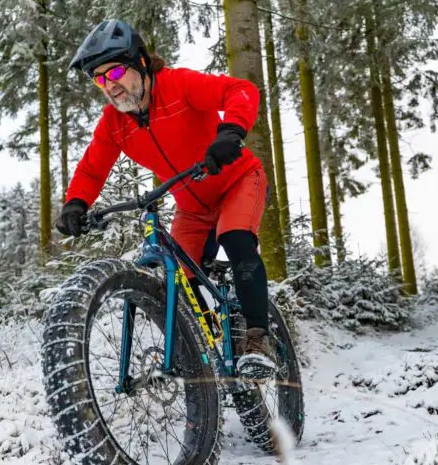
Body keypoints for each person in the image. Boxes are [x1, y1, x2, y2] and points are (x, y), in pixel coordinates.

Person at [55, 19, 278, 376]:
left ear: (141, 62)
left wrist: (231, 133)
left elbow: (241, 90)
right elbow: (92, 168)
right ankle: (212, 348)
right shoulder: (114, 122)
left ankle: (257, 341)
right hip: (192, 207)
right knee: (180, 278)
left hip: (238, 181)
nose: (109, 86)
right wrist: (76, 203)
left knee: (236, 238)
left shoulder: (178, 85)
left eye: (115, 72)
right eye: (99, 79)